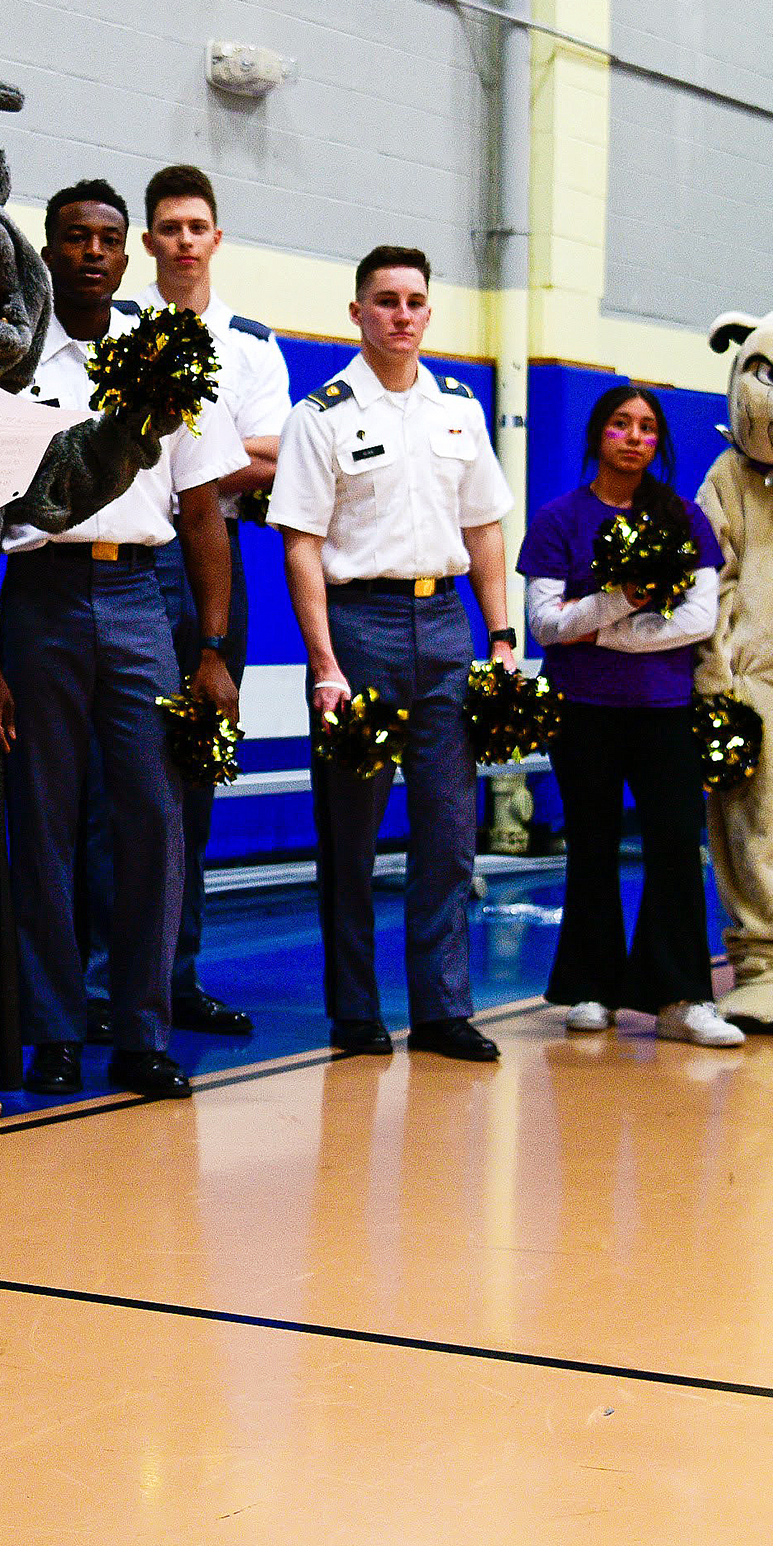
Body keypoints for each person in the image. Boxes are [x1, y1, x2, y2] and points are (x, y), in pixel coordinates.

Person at [0, 185, 244, 1102]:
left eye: (107, 239)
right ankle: (56, 1032)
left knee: (152, 819)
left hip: (143, 597)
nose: (93, 253)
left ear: (126, 254)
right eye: (75, 238)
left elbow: (204, 513)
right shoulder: (10, 358)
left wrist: (211, 647)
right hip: (42, 599)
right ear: (49, 252)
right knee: (44, 823)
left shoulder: (166, 356)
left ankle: (144, 1031)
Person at [275, 246, 518, 1062]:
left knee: (449, 833)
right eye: (385, 301)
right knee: (350, 833)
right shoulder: (321, 415)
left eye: (415, 301)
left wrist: (502, 637)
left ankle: (443, 1009)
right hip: (360, 629)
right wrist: (325, 662)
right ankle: (355, 1010)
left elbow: (484, 528)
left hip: (445, 625)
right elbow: (302, 544)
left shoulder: (458, 408)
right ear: (357, 312)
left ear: (428, 312)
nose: (402, 315)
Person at [120, 162, 290, 1036]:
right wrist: (218, 453)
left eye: (198, 226)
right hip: (133, 559)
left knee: (195, 770)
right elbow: (238, 454)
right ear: (149, 240)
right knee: (121, 782)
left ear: (216, 238)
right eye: (170, 227)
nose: (184, 240)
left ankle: (175, 978)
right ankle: (108, 983)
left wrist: (177, 455)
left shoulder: (252, 344)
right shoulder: (120, 327)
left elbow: (274, 459)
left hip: (214, 563)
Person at [521, 384, 739, 1047]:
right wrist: (625, 598)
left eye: (647, 427)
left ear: (658, 442)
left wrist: (603, 628)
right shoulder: (559, 519)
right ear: (598, 435)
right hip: (582, 710)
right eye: (621, 424)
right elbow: (544, 625)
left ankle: (681, 998)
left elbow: (699, 618)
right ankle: (593, 987)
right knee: (591, 843)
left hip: (665, 710)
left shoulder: (683, 518)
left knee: (675, 845)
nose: (635, 437)